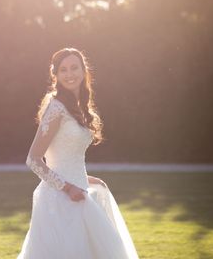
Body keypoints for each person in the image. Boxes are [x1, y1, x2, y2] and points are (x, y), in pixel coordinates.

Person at [17, 48, 139, 259]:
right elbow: (34, 159)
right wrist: (67, 187)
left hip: (78, 189)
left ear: (84, 71)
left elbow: (67, 158)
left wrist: (87, 179)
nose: (70, 74)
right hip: (58, 198)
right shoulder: (56, 109)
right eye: (63, 70)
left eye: (74, 67)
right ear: (56, 75)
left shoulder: (79, 107)